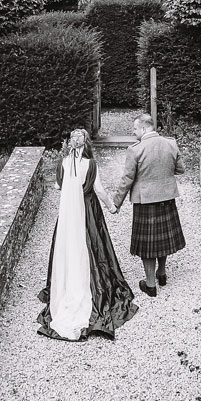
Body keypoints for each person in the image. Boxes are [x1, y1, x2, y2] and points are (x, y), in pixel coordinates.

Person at [37, 129, 139, 341]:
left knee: (69, 245)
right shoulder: (90, 164)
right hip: (88, 210)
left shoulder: (63, 162)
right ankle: (91, 284)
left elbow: (57, 186)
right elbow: (99, 190)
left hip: (68, 215)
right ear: (86, 144)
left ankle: (66, 283)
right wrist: (112, 207)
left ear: (70, 144)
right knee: (91, 245)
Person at [110, 112, 185, 297]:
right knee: (162, 239)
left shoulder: (135, 149)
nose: (133, 132)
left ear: (144, 128)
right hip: (167, 198)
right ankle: (162, 272)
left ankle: (150, 284)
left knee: (148, 244)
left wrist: (116, 202)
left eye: (135, 129)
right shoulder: (171, 143)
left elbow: (127, 179)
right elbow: (180, 169)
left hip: (145, 202)